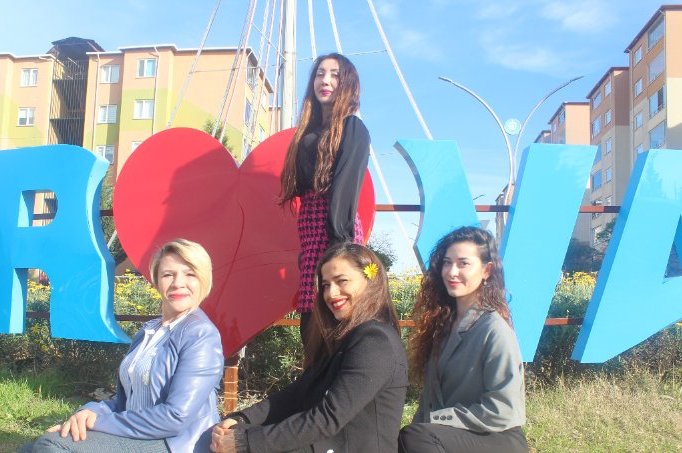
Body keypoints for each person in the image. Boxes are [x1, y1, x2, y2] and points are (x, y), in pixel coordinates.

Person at [20, 239, 224, 453]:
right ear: (156, 280)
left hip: (174, 443)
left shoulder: (201, 334)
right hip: (139, 434)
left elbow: (176, 417)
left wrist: (97, 423)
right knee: (30, 448)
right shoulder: (150, 330)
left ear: (203, 280)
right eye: (168, 274)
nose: (178, 283)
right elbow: (128, 402)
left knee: (51, 445)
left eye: (190, 274)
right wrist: (90, 412)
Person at [210, 242, 408, 453]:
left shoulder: (376, 341)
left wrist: (246, 442)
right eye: (325, 285)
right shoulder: (341, 337)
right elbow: (298, 395)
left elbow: (328, 417)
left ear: (370, 281)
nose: (331, 293)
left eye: (342, 281)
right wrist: (243, 419)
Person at [398, 227, 528, 453]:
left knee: (416, 438)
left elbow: (504, 409)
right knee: (404, 438)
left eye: (463, 264)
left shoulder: (494, 330)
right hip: (447, 436)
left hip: (497, 437)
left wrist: (436, 420)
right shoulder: (442, 327)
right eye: (447, 263)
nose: (452, 272)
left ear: (487, 270)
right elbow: (429, 400)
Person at [278, 52, 371, 344]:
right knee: (312, 323)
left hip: (335, 229)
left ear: (347, 84)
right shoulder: (309, 131)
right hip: (311, 234)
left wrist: (338, 249)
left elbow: (345, 187)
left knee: (336, 318)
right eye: (320, 74)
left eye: (334, 75)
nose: (325, 81)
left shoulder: (352, 127)